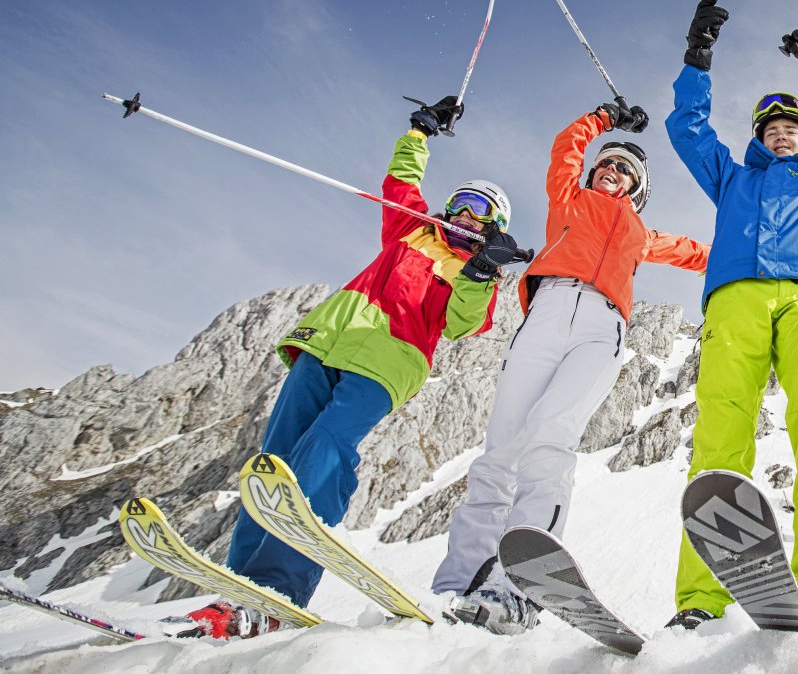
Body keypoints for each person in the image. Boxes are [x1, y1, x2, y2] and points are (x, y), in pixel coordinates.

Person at [173, 96, 525, 639]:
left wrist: (481, 271)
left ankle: (277, 590)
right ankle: (237, 590)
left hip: (387, 364)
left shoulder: (468, 270)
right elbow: (400, 182)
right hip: (326, 344)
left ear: (494, 226)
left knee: (325, 450)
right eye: (463, 203)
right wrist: (419, 132)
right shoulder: (410, 231)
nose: (467, 216)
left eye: (482, 212)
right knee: (275, 462)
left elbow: (461, 323)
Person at [431, 100, 711, 634]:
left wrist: (758, 251)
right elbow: (566, 147)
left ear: (638, 190)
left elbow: (698, 252)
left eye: (626, 171)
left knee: (551, 439)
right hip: (547, 313)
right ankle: (458, 584)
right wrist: (605, 118)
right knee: (501, 450)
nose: (613, 171)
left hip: (602, 327)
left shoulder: (641, 234)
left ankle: (517, 591)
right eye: (607, 164)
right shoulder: (568, 199)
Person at [662, 0, 798, 629]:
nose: (780, 133)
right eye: (769, 129)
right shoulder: (732, 178)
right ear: (757, 140)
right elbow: (686, 126)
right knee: (720, 434)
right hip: (738, 295)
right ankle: (701, 599)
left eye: (791, 128)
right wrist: (697, 57)